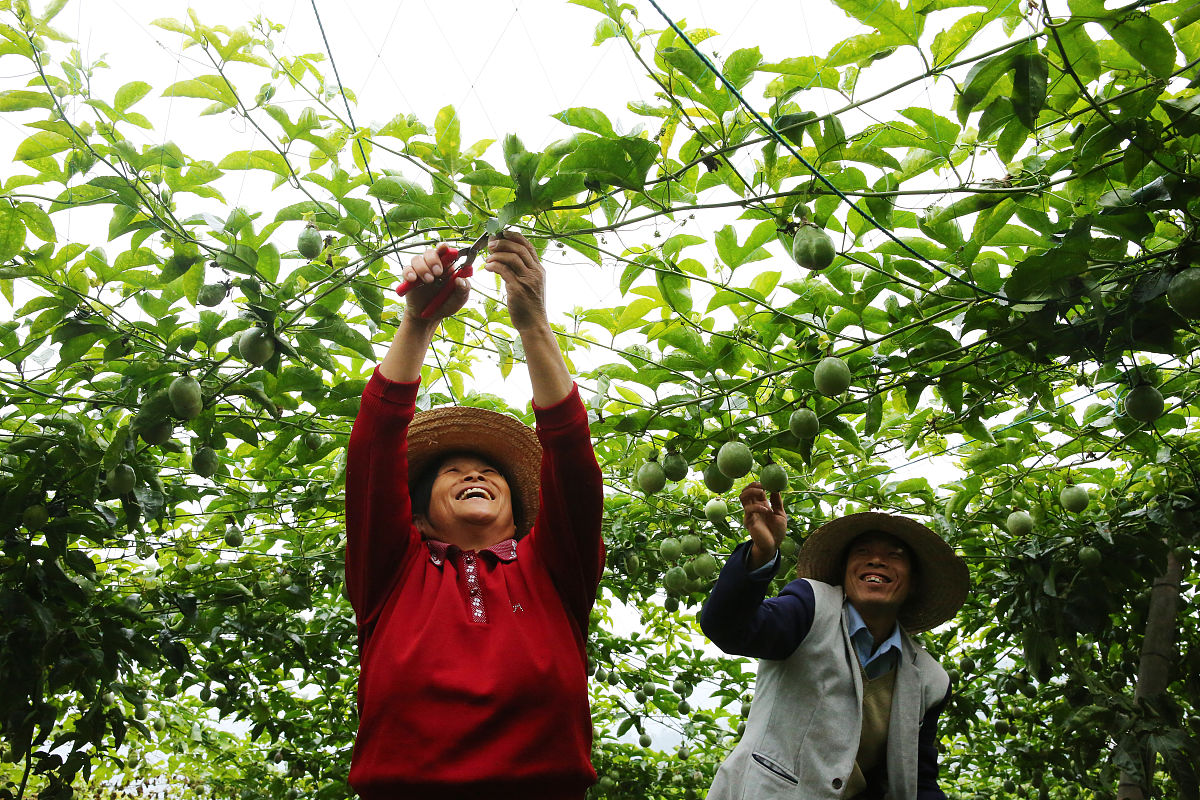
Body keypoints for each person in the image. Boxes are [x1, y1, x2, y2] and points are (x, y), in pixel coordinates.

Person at [344, 232, 605, 800]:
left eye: (491, 473)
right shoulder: (392, 572)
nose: (476, 476)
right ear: (415, 516)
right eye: (452, 471)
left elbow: (573, 461)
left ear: (520, 510)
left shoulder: (552, 569)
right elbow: (373, 449)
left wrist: (534, 322)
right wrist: (416, 323)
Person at [700, 482, 969, 800]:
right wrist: (762, 552)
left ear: (913, 584)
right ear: (844, 573)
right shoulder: (809, 607)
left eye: (894, 556)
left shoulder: (931, 680)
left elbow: (916, 778)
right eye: (863, 552)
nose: (877, 561)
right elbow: (727, 628)